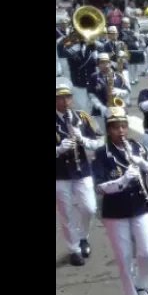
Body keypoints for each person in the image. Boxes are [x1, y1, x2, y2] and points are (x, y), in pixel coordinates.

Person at [91, 107, 148, 295]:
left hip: (140, 207)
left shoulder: (138, 147)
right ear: (108, 129)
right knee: (123, 257)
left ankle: (142, 286)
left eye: (123, 126)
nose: (121, 131)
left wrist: (145, 166)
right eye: (115, 127)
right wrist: (122, 181)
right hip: (116, 211)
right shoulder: (102, 154)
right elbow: (100, 187)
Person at [56, 83, 101, 266]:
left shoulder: (82, 117)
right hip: (60, 174)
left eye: (67, 97)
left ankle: (83, 236)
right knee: (66, 213)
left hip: (82, 169)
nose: (64, 101)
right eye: (59, 98)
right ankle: (74, 248)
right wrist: (59, 149)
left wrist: (83, 140)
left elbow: (99, 141)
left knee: (89, 208)